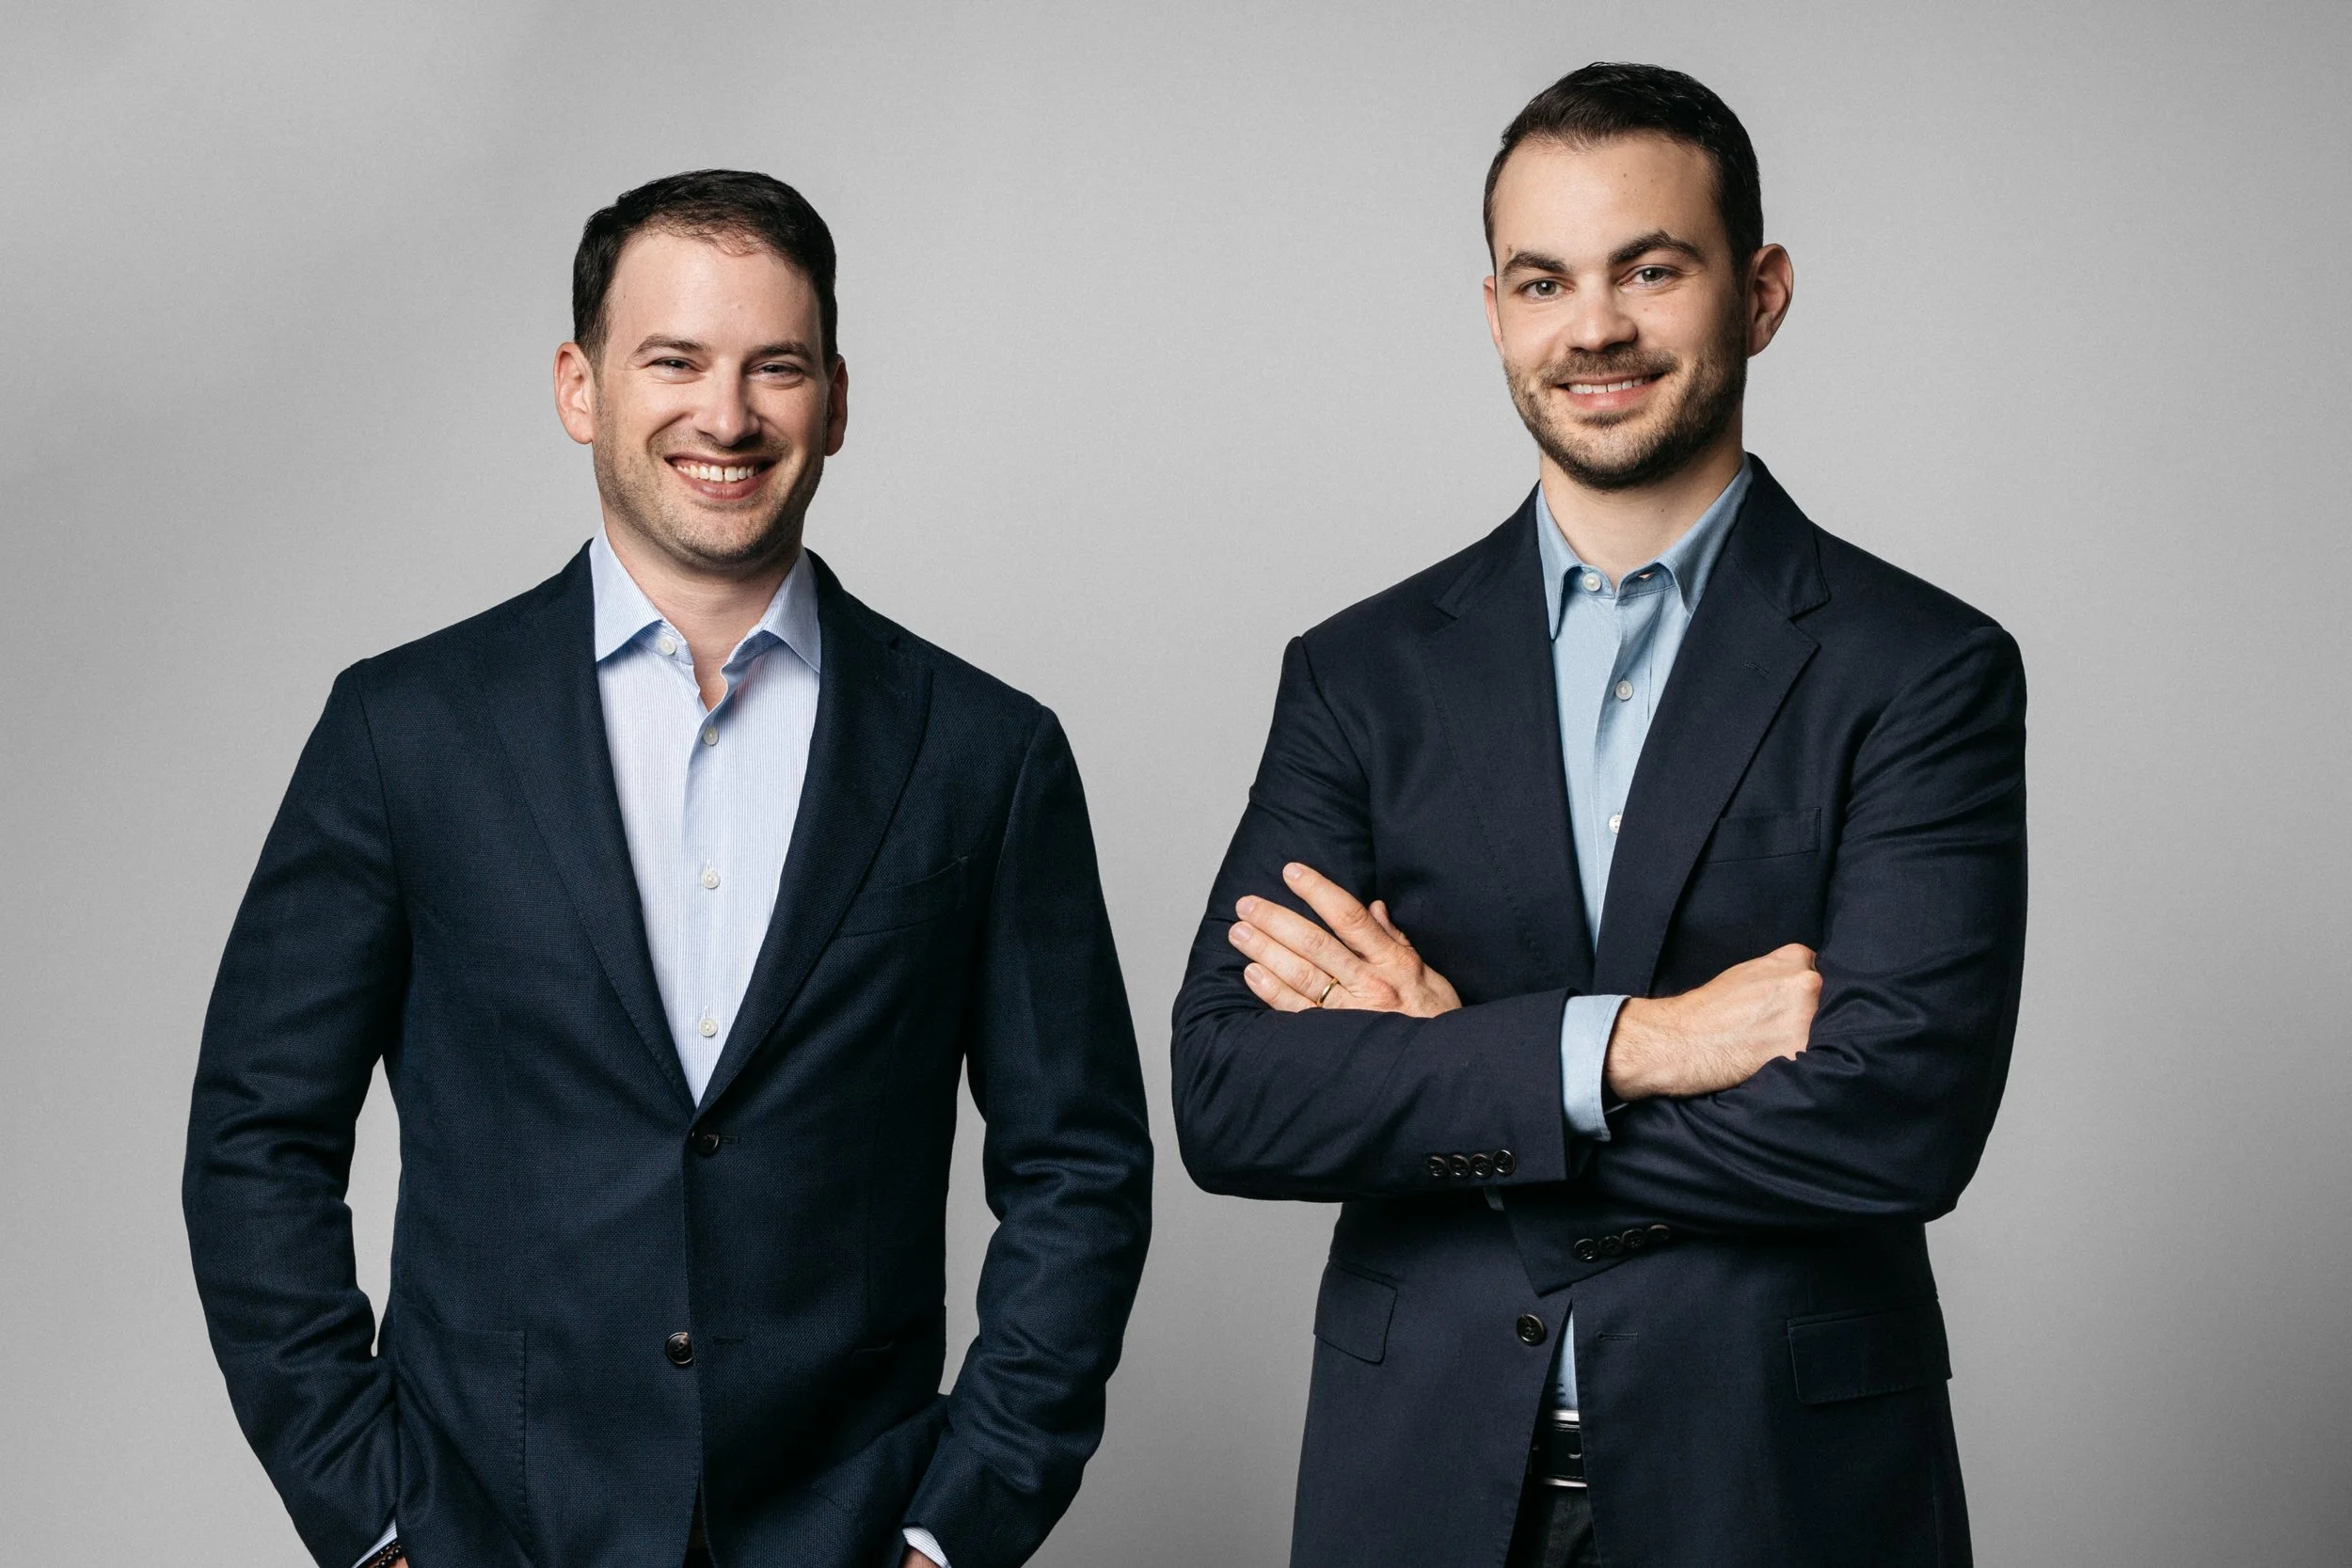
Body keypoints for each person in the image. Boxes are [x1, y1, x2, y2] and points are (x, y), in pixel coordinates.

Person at [184, 169, 1152, 1568]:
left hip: (851, 1529)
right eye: (675, 361)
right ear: (580, 386)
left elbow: (1081, 1168)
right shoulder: (408, 730)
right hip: (486, 1525)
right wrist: (378, 1524)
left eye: (778, 366)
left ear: (835, 396)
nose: (727, 414)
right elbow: (253, 1142)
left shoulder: (983, 755)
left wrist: (957, 1528)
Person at [1171, 63, 2026, 1568]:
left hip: (1780, 1487)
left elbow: (1897, 1126)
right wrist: (1634, 1043)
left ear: (1757, 293)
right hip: (1416, 1478)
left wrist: (1455, 1065)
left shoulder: (1924, 668)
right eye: (1543, 279)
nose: (1597, 327)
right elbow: (1233, 1092)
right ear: (1495, 312)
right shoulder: (1361, 676)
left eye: (1653, 268)